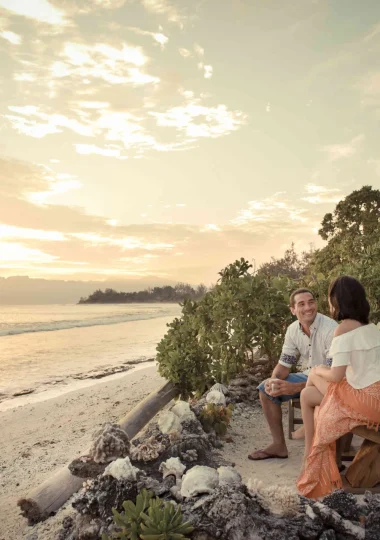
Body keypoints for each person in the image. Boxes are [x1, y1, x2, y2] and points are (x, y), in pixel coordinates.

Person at [297, 276, 380, 498]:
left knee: (315, 374)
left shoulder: (343, 329)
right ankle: (310, 447)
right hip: (375, 395)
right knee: (306, 394)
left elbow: (335, 375)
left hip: (367, 402)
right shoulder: (370, 327)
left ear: (338, 301)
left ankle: (310, 451)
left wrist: (317, 370)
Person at [248, 288, 337, 460]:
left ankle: (324, 455)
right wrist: (273, 381)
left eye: (311, 302)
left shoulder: (330, 329)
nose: (308, 308)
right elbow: (283, 365)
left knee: (307, 391)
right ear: (293, 309)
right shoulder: (292, 330)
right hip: (308, 376)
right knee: (264, 390)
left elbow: (333, 377)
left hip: (328, 382)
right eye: (301, 304)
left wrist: (294, 387)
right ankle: (279, 446)